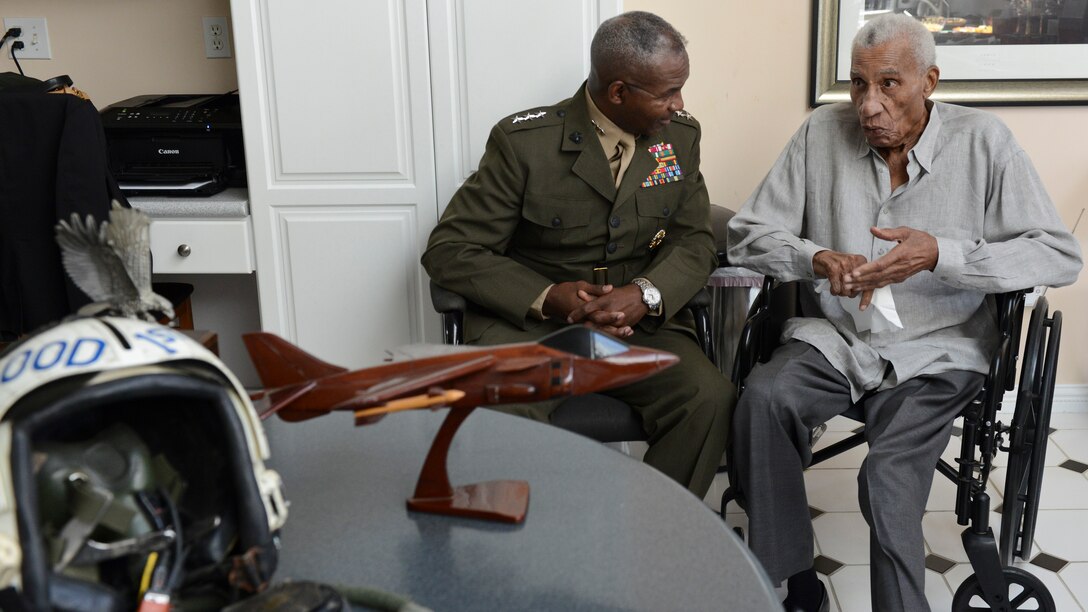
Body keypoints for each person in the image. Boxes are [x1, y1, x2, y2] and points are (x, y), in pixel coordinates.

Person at [726, 13, 1082, 612]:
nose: (868, 105)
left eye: (888, 84)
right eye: (859, 84)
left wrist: (941, 254)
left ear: (929, 82)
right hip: (837, 339)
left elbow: (1057, 253)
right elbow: (746, 235)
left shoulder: (984, 142)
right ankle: (794, 580)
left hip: (938, 348)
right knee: (764, 398)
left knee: (888, 475)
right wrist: (815, 258)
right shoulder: (820, 134)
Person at [422, 11, 732, 498]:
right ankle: (525, 550)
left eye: (680, 89)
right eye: (667, 93)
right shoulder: (525, 144)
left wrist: (644, 294)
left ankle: (657, 535)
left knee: (708, 398)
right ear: (618, 92)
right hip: (536, 331)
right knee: (502, 404)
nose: (679, 103)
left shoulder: (680, 138)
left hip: (639, 326)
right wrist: (549, 297)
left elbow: (694, 240)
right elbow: (450, 250)